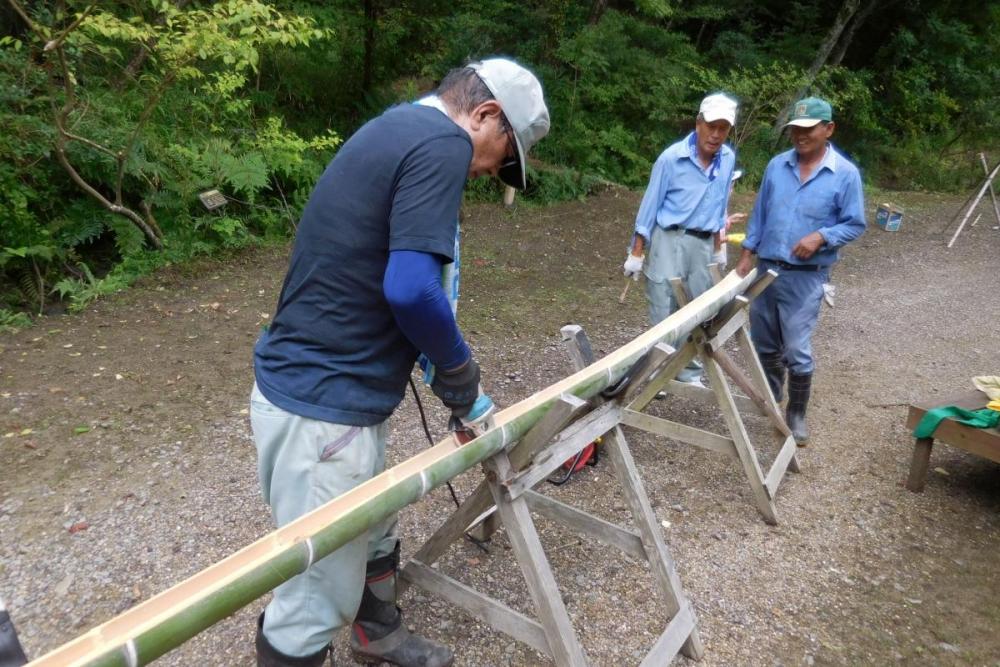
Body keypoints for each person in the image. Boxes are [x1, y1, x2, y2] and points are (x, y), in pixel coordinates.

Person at [250, 58, 549, 667]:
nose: (491, 170)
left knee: (376, 521)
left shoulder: (398, 127)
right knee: (313, 597)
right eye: (501, 153)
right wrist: (462, 379)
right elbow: (412, 288)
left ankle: (378, 635)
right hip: (324, 404)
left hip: (337, 393)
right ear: (486, 115)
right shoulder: (442, 143)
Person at [735, 96, 865, 445]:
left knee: (795, 347)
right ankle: (771, 399)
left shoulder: (845, 175)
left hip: (806, 277)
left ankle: (796, 412)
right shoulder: (777, 166)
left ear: (828, 129)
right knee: (763, 342)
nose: (800, 135)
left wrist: (822, 236)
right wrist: (747, 253)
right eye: (795, 129)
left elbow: (855, 224)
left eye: (808, 129)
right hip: (766, 268)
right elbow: (760, 213)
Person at [623, 93, 740, 387]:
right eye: (711, 126)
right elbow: (649, 206)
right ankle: (656, 375)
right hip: (668, 237)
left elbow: (720, 203)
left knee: (699, 307)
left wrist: (720, 244)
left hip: (701, 244)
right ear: (698, 123)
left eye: (723, 128)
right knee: (663, 306)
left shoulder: (727, 159)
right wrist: (637, 252)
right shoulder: (671, 158)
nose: (715, 135)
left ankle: (688, 373)